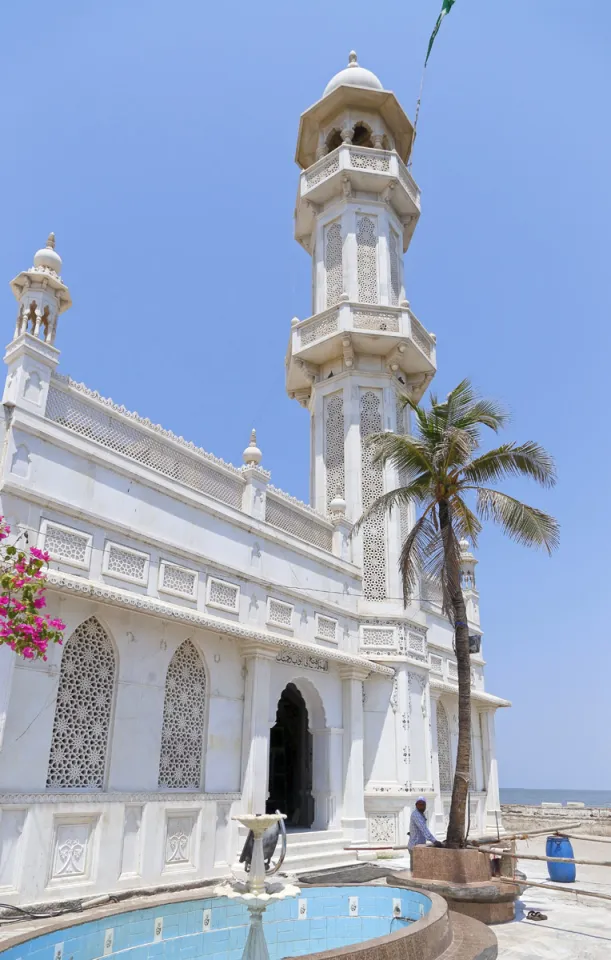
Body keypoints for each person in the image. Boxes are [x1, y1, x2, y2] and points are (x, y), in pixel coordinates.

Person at [408, 797, 443, 871]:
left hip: (419, 846)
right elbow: (424, 829)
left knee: (419, 870)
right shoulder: (416, 815)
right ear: (416, 805)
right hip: (415, 847)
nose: (422, 806)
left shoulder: (420, 814)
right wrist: (434, 841)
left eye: (423, 804)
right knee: (415, 871)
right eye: (420, 804)